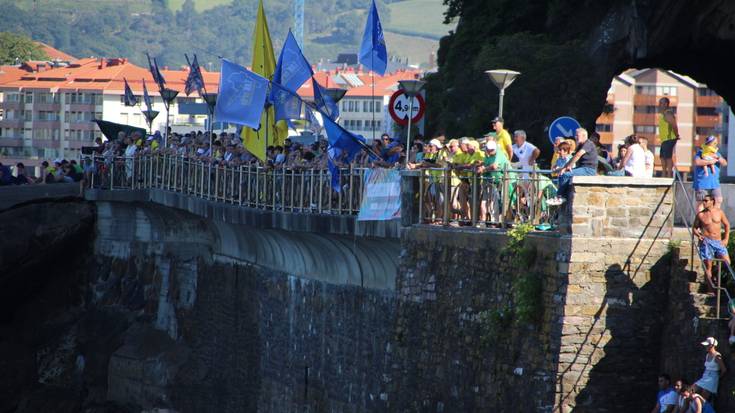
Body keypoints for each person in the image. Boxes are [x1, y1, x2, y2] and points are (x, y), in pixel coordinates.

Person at [547, 128, 598, 205]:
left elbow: (578, 155)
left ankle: (559, 197)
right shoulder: (580, 145)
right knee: (562, 173)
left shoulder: (588, 144)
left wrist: (566, 167)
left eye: (577, 135)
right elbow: (574, 158)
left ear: (584, 135)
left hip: (589, 169)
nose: (575, 137)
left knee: (565, 174)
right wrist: (562, 168)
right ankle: (563, 196)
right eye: (575, 135)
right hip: (582, 168)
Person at [693, 193, 731, 294]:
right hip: (706, 242)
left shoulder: (719, 212)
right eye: (703, 201)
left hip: (718, 242)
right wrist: (699, 235)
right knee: (708, 265)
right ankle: (710, 290)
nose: (704, 203)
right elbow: (694, 228)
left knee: (727, 263)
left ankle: (715, 274)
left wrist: (726, 239)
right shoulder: (701, 214)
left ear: (712, 201)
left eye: (706, 201)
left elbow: (727, 225)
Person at [477, 140, 510, 225]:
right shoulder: (488, 156)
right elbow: (486, 164)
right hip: (491, 180)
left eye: (492, 150)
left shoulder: (499, 153)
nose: (490, 151)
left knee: (499, 201)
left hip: (503, 180)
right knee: (487, 201)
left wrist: (483, 169)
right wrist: (480, 166)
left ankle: (498, 221)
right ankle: (486, 220)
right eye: (489, 150)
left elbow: (494, 166)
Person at [693, 136, 727, 211]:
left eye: (716, 143)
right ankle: (700, 221)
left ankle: (712, 219)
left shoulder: (717, 153)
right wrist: (710, 162)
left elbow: (724, 163)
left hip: (714, 183)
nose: (716, 145)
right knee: (701, 203)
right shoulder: (700, 152)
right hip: (702, 183)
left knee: (718, 200)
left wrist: (718, 157)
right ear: (709, 143)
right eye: (714, 143)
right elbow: (697, 162)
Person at [694, 336, 726, 401]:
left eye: (707, 345)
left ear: (712, 345)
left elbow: (724, 369)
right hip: (705, 376)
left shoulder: (717, 356)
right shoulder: (707, 355)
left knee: (702, 400)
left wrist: (718, 377)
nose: (705, 347)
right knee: (691, 390)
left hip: (712, 379)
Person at [658, 97, 680, 178]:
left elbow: (674, 125)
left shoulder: (668, 113)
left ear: (666, 104)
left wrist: (676, 135)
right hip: (664, 139)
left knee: (668, 157)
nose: (659, 105)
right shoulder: (663, 114)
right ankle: (664, 174)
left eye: (661, 103)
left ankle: (669, 174)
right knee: (662, 157)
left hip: (669, 138)